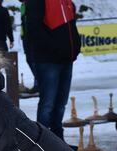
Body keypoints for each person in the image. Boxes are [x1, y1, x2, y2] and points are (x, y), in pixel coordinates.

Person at [25, 0, 80, 141]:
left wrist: (75, 46)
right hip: (48, 60)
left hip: (66, 59)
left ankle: (58, 140)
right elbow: (33, 29)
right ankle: (42, 142)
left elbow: (71, 26)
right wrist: (56, 48)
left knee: (61, 104)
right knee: (48, 104)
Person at [19, 0, 38, 93]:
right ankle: (38, 82)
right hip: (26, 39)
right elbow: (24, 22)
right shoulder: (23, 6)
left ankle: (38, 84)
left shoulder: (32, 4)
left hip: (33, 38)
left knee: (34, 61)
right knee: (30, 60)